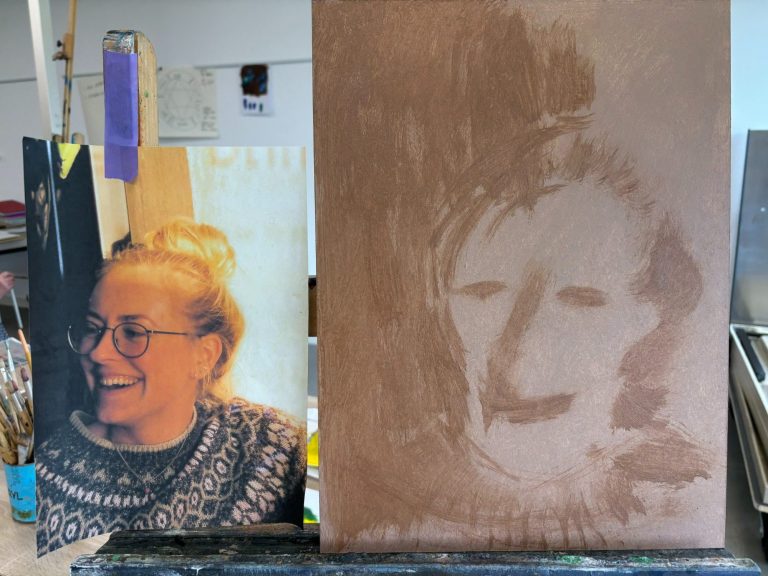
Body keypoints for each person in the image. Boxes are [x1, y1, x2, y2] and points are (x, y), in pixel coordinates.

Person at [316, 3, 714, 551]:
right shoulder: (379, 512)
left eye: (581, 300)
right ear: (441, 308)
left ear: (645, 319)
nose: (514, 351)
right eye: (483, 293)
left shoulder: (684, 501)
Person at [36, 219, 306, 554]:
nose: (98, 353)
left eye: (133, 332)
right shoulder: (48, 476)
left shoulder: (268, 444)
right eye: (93, 328)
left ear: (203, 355)